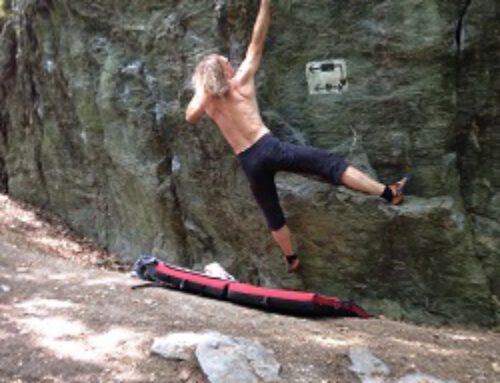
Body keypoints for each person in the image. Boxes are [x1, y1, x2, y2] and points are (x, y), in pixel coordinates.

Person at [185, 0, 408, 273]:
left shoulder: (208, 102)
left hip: (249, 162)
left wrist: (206, 87)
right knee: (331, 164)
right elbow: (257, 41)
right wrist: (266, 5)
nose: (231, 64)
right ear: (222, 72)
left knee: (272, 213)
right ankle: (389, 192)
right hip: (269, 148)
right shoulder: (240, 83)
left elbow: (190, 115)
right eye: (225, 63)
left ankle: (292, 260)